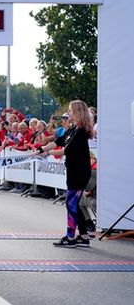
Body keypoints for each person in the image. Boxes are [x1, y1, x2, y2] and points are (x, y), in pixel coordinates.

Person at [34, 100, 94, 248]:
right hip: (73, 171)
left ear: (78, 112)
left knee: (70, 203)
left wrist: (47, 153)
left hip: (79, 173)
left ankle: (70, 237)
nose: (68, 113)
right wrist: (41, 150)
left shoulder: (80, 132)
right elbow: (58, 141)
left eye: (71, 110)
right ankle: (84, 236)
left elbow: (67, 150)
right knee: (74, 204)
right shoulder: (72, 129)